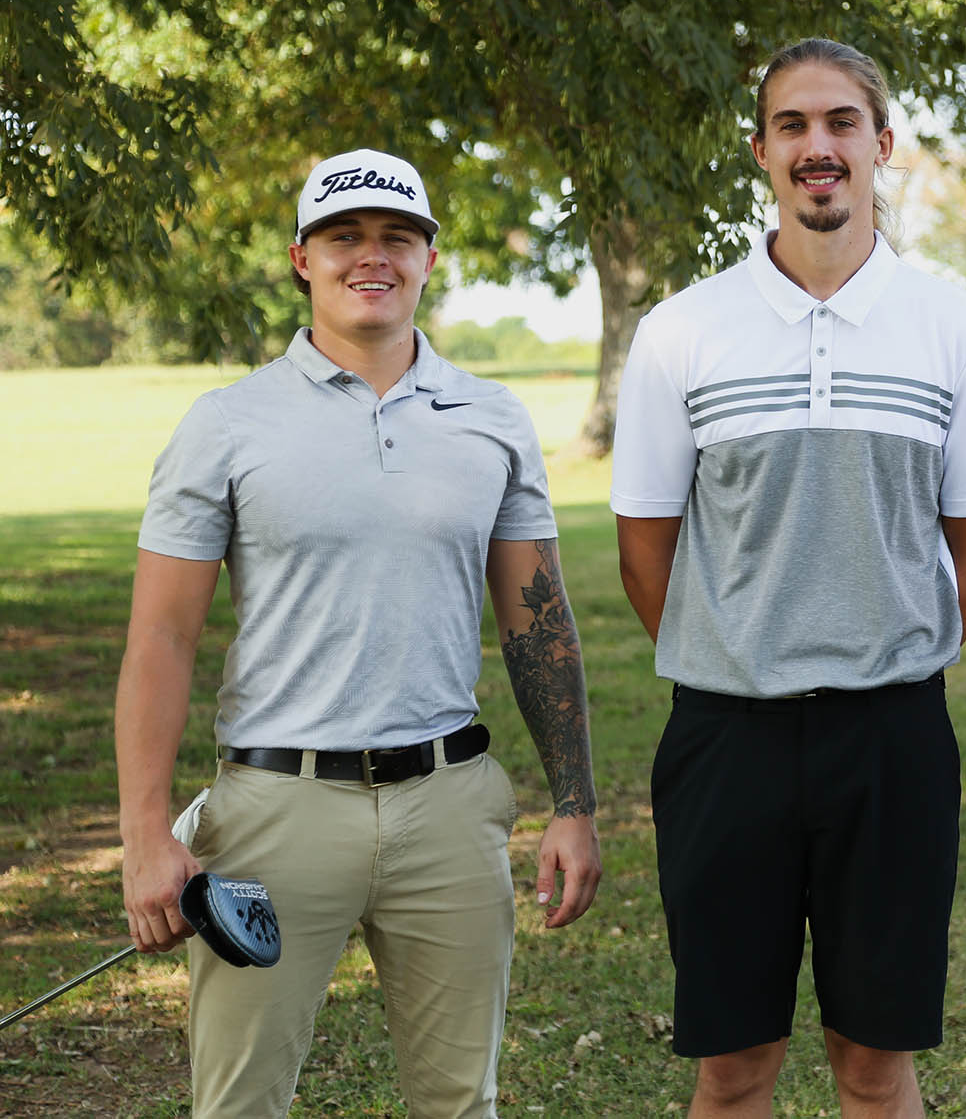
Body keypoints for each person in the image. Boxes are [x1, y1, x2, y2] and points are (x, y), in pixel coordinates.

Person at [116, 147, 602, 1118]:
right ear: (303, 257)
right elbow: (161, 638)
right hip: (272, 814)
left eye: (395, 237)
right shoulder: (227, 423)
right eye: (344, 237)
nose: (368, 256)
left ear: (428, 257)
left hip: (448, 807)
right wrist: (142, 835)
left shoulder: (492, 417)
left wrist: (573, 802)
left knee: (460, 1102)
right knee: (240, 1103)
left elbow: (536, 622)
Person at [611, 37, 966, 1118]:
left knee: (874, 1063)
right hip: (724, 738)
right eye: (793, 126)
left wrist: (881, 640)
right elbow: (646, 549)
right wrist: (741, 648)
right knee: (732, 1066)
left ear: (881, 145)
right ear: (759, 151)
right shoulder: (682, 331)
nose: (818, 146)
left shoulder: (954, 328)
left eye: (841, 123)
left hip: (889, 740)